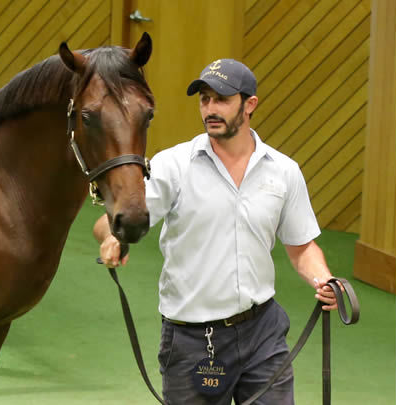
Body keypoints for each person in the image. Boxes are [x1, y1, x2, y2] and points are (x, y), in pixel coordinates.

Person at [93, 59, 340, 405]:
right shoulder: (173, 166)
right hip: (192, 340)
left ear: (249, 104)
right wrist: (112, 237)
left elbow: (302, 248)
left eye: (221, 99)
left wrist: (324, 280)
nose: (210, 108)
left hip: (263, 333)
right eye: (204, 99)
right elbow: (111, 218)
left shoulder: (284, 172)